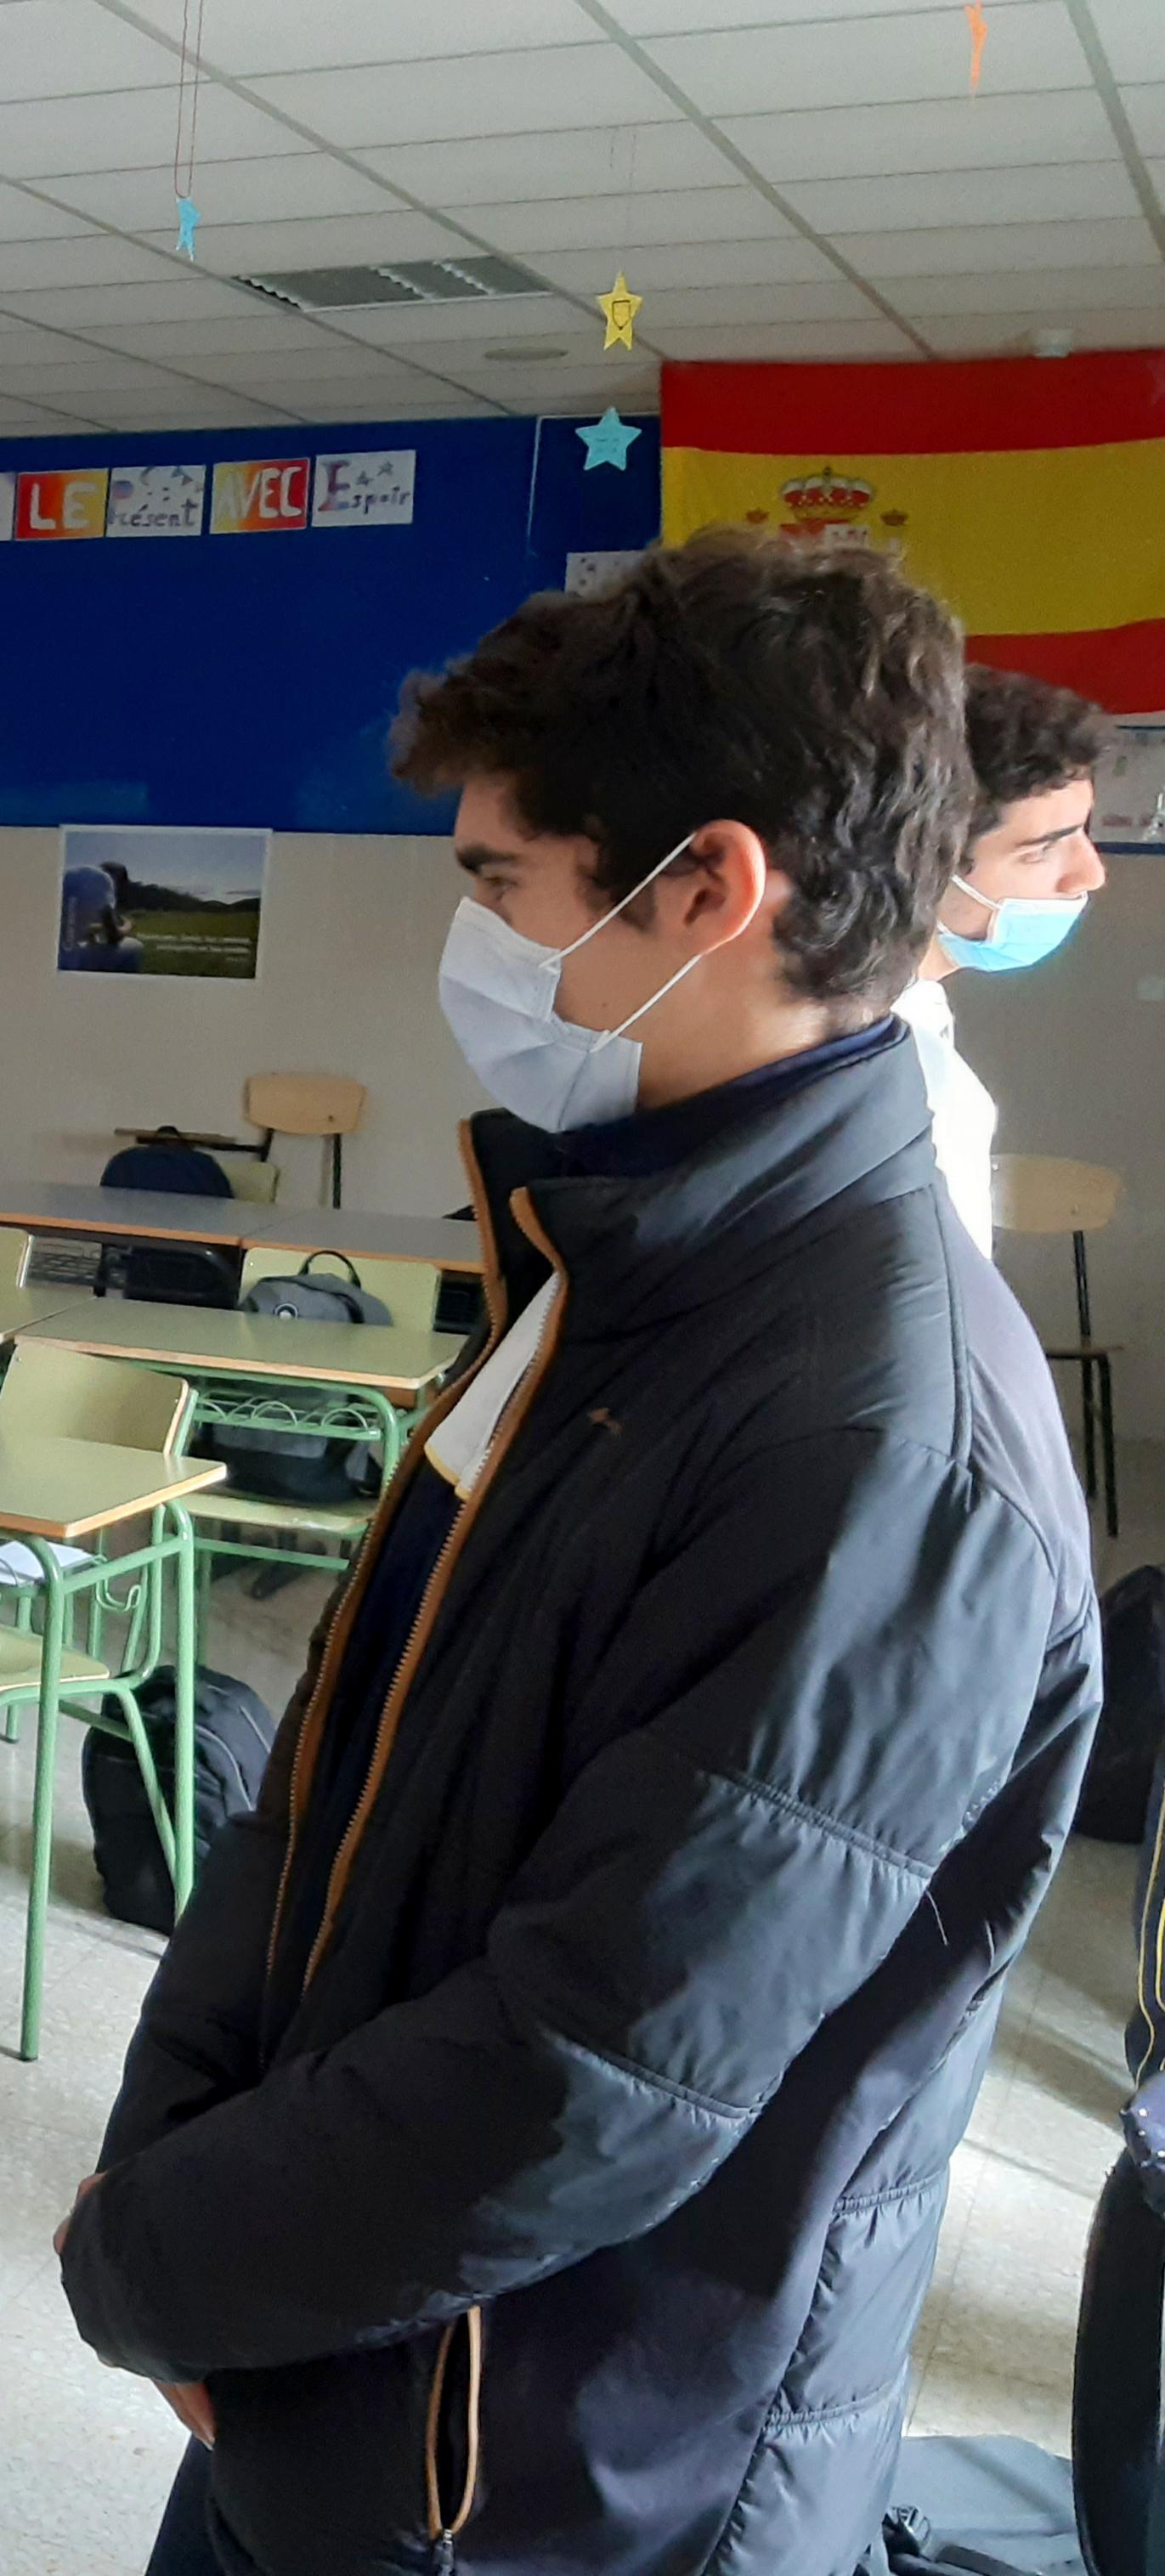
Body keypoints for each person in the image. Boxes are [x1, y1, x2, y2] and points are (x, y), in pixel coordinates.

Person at [58, 530, 1104, 2576]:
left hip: (555, 2476)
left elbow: (594, 2065)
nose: (471, 944)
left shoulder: (878, 1442)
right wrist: (168, 2169)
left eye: (495, 887)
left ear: (705, 889)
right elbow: (339, 1771)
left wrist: (162, 2264)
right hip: (331, 2342)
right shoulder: (611, 1263)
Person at [893, 662, 1112, 1247]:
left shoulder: (916, 1015)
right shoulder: (874, 1058)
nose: (1089, 875)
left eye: (1082, 833)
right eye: (1044, 850)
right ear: (921, 861)